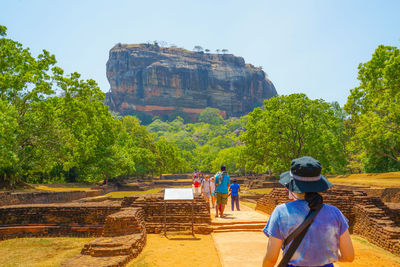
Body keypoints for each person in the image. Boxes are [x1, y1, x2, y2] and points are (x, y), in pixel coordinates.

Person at [262, 156, 354, 267]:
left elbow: (271, 259)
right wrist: (325, 255)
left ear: (292, 185)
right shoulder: (335, 213)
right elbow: (349, 256)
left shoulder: (281, 212)